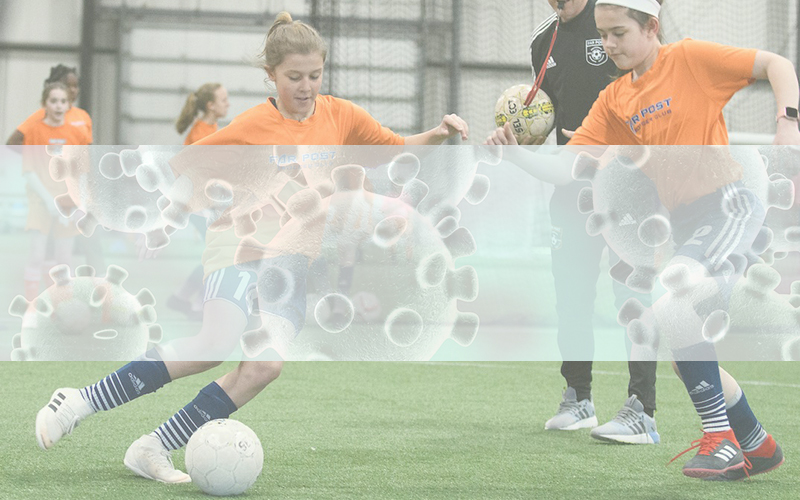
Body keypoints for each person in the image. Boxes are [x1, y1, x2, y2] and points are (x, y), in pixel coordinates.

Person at [34, 11, 469, 485]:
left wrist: (441, 133)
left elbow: (394, 148)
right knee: (212, 345)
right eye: (294, 77)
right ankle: (77, 401)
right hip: (238, 244)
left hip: (289, 261)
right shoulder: (251, 125)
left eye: (315, 75)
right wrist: (163, 223)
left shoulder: (341, 115)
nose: (306, 86)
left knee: (264, 366)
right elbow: (189, 169)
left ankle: (153, 447)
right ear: (271, 75)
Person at [489, 0, 795, 480]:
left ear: (651, 27)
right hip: (689, 225)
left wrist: (788, 123)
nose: (609, 45)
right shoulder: (614, 100)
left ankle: (721, 444)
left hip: (729, 204)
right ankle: (758, 444)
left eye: (618, 33)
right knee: (680, 348)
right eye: (603, 35)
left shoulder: (691, 59)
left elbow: (777, 65)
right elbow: (571, 166)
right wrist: (515, 156)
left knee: (674, 309)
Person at [529, 0, 658, 444]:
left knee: (632, 300)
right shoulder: (541, 42)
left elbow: (655, 95)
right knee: (571, 296)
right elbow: (548, 118)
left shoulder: (617, 21)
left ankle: (643, 408)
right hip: (571, 191)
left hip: (627, 189)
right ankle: (578, 398)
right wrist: (523, 127)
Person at [19, 82, 92, 300]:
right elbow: (29, 172)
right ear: (44, 104)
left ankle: (60, 306)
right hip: (41, 201)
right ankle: (31, 307)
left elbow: (81, 173)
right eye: (53, 101)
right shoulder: (34, 131)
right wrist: (50, 201)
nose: (59, 106)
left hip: (67, 203)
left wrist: (78, 203)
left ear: (69, 105)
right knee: (37, 254)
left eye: (63, 101)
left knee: (64, 258)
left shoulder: (76, 133)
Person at [168, 83, 231, 321]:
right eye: (224, 100)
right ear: (211, 105)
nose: (228, 104)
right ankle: (196, 304)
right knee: (217, 256)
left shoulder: (212, 127)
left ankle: (182, 297)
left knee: (215, 255)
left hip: (209, 204)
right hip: (199, 205)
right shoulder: (200, 134)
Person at [7, 64, 92, 146]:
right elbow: (12, 142)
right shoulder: (42, 116)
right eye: (67, 85)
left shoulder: (83, 116)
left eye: (75, 86)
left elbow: (88, 148)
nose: (72, 90)